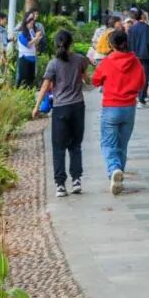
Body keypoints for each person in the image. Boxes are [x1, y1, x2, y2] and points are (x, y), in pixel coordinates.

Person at [34, 27, 88, 197]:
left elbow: (44, 86)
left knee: (58, 147)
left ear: (56, 44)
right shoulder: (80, 60)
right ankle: (76, 180)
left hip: (60, 108)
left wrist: (36, 106)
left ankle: (60, 185)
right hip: (78, 106)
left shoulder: (53, 64)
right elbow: (87, 80)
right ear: (71, 43)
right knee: (75, 145)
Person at [92, 26, 146, 194]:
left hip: (111, 107)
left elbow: (95, 81)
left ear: (111, 45)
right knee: (122, 145)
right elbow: (141, 83)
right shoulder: (135, 61)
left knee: (108, 143)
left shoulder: (107, 61)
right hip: (129, 108)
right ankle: (117, 177)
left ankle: (114, 169)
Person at [126, 9, 149, 104]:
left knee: (134, 75)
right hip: (146, 56)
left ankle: (134, 95)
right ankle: (141, 97)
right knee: (145, 76)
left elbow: (129, 43)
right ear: (143, 16)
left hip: (134, 55)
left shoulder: (131, 29)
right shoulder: (148, 28)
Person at [14, 10, 45, 88]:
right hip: (24, 58)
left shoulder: (31, 31)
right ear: (26, 22)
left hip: (32, 58)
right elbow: (27, 44)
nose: (32, 23)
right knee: (24, 79)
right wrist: (36, 38)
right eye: (30, 22)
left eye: (32, 22)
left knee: (31, 79)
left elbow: (34, 44)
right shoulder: (21, 32)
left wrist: (38, 38)